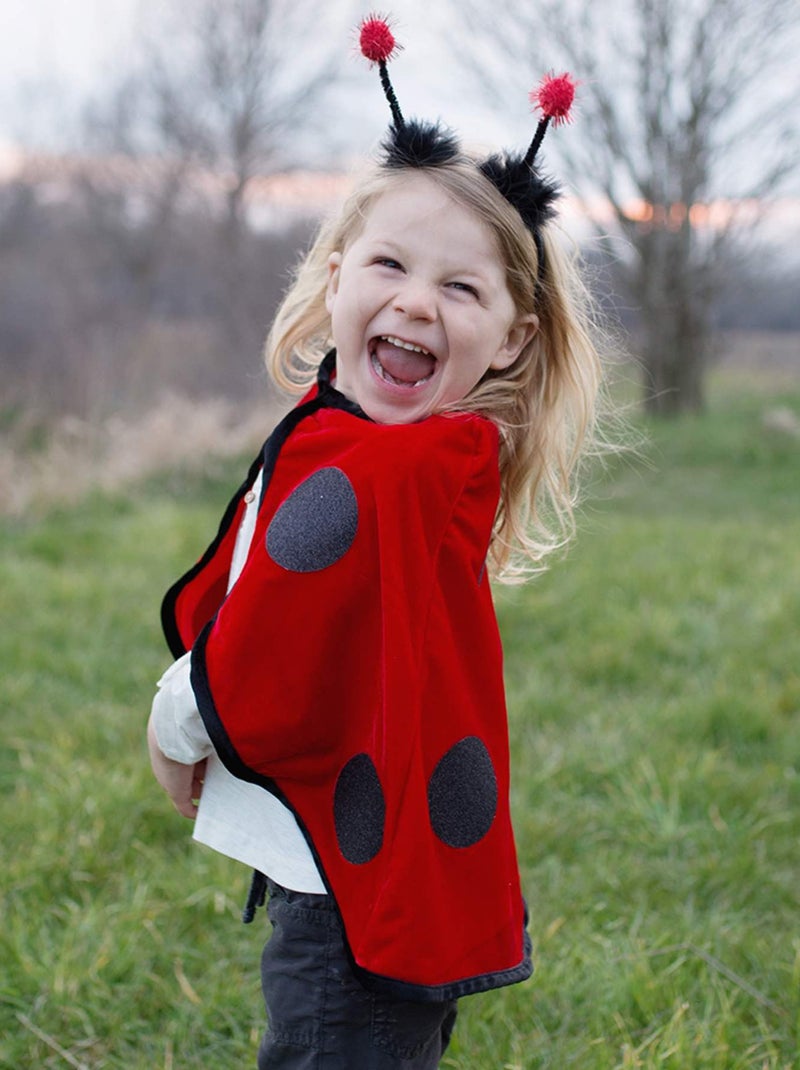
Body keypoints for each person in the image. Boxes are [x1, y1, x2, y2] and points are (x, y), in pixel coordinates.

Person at [147, 16, 606, 1069]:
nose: (414, 300)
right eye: (390, 264)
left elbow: (276, 632)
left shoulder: (399, 468)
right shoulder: (372, 440)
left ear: (510, 335)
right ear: (338, 271)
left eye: (459, 287)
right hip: (358, 864)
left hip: (353, 894)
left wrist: (181, 719)